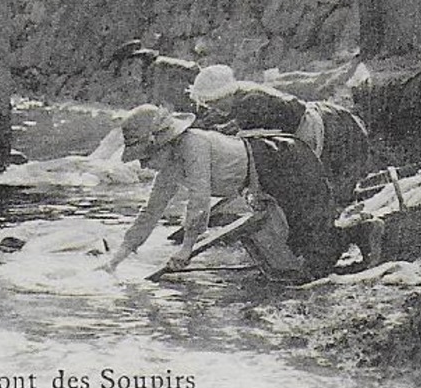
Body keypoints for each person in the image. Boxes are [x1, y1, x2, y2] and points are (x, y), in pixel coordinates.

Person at [101, 104, 345, 282]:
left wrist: (187, 248)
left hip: (280, 158)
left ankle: (356, 240)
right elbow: (151, 211)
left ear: (163, 143)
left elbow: (199, 199)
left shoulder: (192, 145)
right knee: (291, 241)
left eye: (146, 157)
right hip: (259, 176)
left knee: (311, 228)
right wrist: (116, 259)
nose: (143, 165)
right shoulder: (170, 168)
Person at [189, 64, 370, 205]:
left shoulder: (249, 103)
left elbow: (254, 148)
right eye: (209, 104)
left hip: (316, 128)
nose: (214, 107)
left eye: (216, 101)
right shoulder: (241, 93)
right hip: (308, 116)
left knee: (322, 182)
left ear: (227, 93)